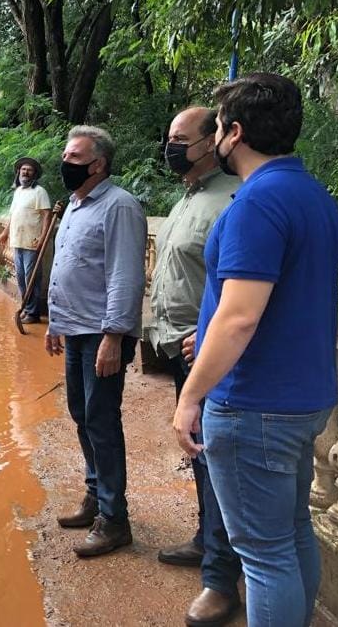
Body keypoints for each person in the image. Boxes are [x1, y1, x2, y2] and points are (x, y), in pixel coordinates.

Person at [173, 73, 338, 627]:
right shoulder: (314, 196)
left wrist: (191, 395)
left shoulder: (256, 204)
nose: (217, 138)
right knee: (291, 534)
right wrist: (211, 324)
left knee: (264, 556)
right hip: (303, 398)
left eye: (218, 128)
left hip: (254, 404)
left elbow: (242, 316)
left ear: (235, 133)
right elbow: (275, 298)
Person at [150, 107, 242, 625]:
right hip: (178, 349)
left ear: (213, 141)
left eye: (180, 138)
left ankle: (221, 580)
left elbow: (240, 289)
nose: (172, 146)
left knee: (215, 461)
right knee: (199, 457)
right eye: (170, 137)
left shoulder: (232, 199)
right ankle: (208, 544)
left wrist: (202, 337)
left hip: (208, 354)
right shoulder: (188, 198)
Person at [45, 125, 147, 557]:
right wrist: (55, 322)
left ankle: (114, 518)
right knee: (81, 414)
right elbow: (67, 266)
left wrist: (113, 337)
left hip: (103, 334)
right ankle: (96, 495)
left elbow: (125, 277)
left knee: (102, 422)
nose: (65, 164)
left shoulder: (119, 207)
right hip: (75, 329)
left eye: (73, 157)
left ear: (98, 163)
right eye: (66, 157)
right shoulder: (75, 204)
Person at [0, 157, 51, 323]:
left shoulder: (39, 192)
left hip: (32, 242)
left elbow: (47, 215)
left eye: (29, 170)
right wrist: (5, 233)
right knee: (21, 278)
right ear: (18, 172)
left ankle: (33, 314)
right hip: (17, 241)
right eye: (23, 170)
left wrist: (43, 238)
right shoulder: (19, 191)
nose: (25, 172)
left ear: (34, 174)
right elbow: (14, 215)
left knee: (32, 278)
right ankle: (26, 307)